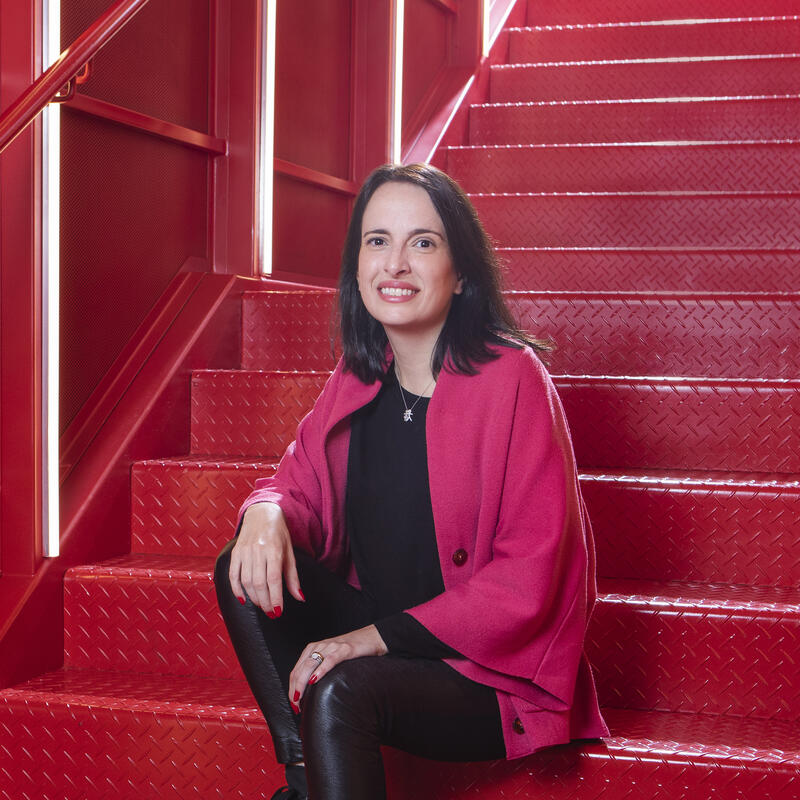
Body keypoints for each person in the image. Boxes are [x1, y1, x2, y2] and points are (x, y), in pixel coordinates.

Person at [214, 163, 608, 800]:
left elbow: (528, 577)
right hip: (386, 635)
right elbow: (296, 487)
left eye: (422, 242)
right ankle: (308, 779)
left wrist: (371, 641)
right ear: (358, 265)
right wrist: (265, 511)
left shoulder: (512, 378)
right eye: (378, 241)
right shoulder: (360, 374)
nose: (395, 263)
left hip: (482, 670)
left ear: (461, 272)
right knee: (241, 567)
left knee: (339, 691)